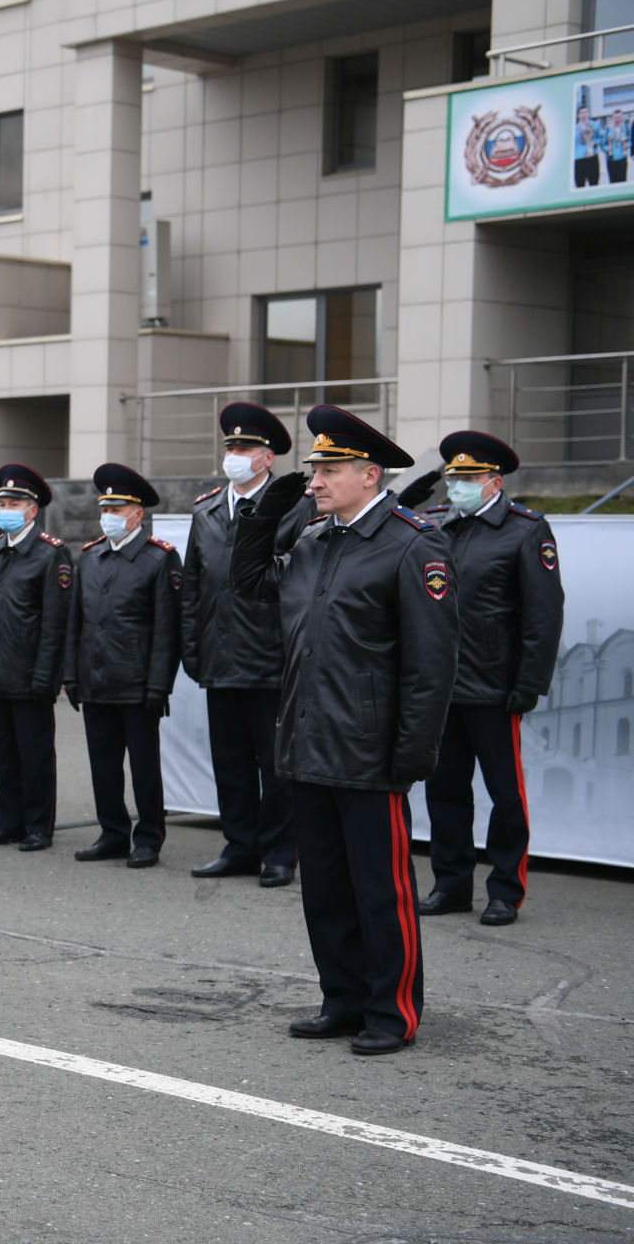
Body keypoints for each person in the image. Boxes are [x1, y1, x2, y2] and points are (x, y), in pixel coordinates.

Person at [231, 405, 458, 1055]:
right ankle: (343, 998)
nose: (315, 482)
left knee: (380, 890)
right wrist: (262, 513)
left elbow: (430, 664)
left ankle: (393, 1011)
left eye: (328, 470)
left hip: (369, 749)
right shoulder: (312, 541)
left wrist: (412, 752)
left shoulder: (414, 544)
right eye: (312, 471)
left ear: (369, 474)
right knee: (326, 888)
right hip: (307, 742)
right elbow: (249, 583)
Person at [401, 432, 563, 927]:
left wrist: (529, 683)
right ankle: (451, 884)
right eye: (453, 477)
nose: (459, 486)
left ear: (494, 481)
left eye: (469, 478)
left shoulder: (525, 530)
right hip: (440, 686)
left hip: (494, 687)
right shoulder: (434, 525)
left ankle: (505, 890)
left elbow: (543, 613)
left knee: (504, 794)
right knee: (444, 790)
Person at [181, 403, 311, 888]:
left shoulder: (297, 509)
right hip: (221, 657)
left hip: (272, 660)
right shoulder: (208, 511)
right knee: (230, 763)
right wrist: (192, 650)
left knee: (276, 765)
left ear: (268, 456)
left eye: (245, 448)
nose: (235, 455)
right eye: (231, 447)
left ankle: (279, 852)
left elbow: (299, 587)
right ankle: (240, 845)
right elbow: (193, 588)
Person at [64, 464, 182, 867]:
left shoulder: (158, 559)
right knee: (104, 766)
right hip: (96, 680)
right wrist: (71, 675)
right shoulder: (90, 557)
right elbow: (75, 624)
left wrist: (158, 686)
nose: (110, 515)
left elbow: (167, 630)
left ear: (138, 514)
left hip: (136, 683)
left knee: (145, 767)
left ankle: (148, 836)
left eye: (119, 508)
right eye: (106, 508)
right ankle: (112, 832)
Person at [0, 464, 73, 851]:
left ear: (32, 510)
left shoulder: (51, 555)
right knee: (5, 757)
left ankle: (37, 825)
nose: (6, 509)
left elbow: (54, 625)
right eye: (3, 502)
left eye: (14, 503)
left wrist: (47, 677)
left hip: (31, 675)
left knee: (35, 757)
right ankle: (8, 821)